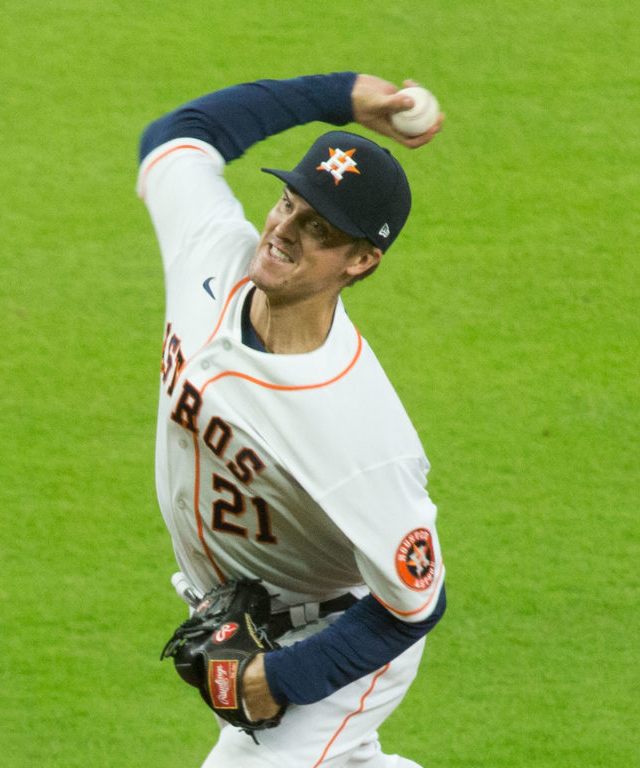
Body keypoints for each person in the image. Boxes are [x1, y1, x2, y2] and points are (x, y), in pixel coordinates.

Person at [137, 72, 447, 768]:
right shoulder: (212, 253)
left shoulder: (359, 430)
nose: (283, 230)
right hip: (247, 610)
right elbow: (177, 138)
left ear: (361, 261)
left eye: (318, 230)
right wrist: (339, 96)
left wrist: (278, 682)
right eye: (288, 202)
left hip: (341, 643)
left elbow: (417, 602)